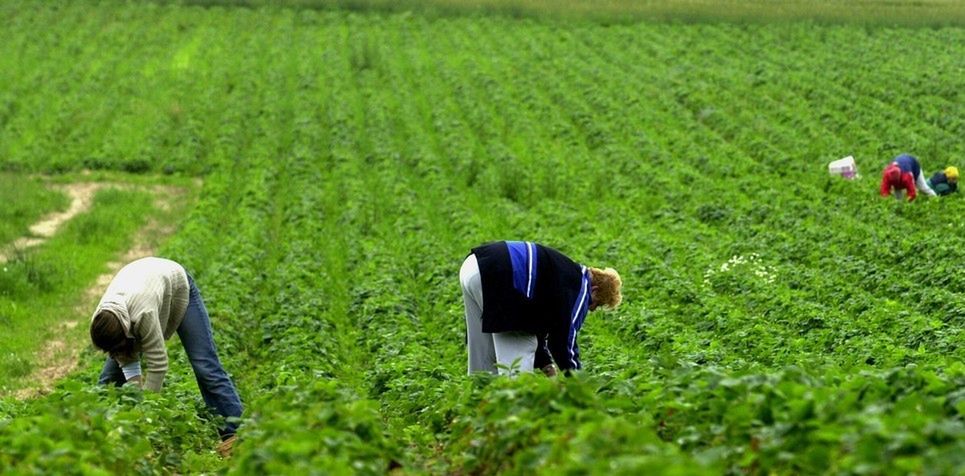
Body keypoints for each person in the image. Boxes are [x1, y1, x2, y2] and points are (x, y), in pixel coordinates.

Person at [89, 257, 242, 455]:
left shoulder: (144, 313)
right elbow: (123, 356)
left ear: (125, 333)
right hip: (140, 282)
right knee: (109, 380)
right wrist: (136, 398)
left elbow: (158, 364)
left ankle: (238, 435)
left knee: (205, 366)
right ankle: (96, 441)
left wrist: (146, 414)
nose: (114, 353)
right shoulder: (102, 320)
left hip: (177, 286)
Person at [459, 241, 622, 376]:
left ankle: (477, 404)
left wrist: (545, 363)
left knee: (482, 362)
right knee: (519, 359)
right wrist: (577, 381)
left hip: (473, 265)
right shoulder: (580, 287)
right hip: (501, 273)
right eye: (597, 303)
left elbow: (539, 322)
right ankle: (516, 411)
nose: (592, 309)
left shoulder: (565, 274)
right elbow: (564, 338)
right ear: (594, 289)